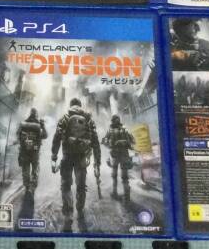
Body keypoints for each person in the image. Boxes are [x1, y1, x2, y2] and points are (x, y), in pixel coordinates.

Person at [51, 97, 101, 232]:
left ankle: (68, 213)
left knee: (66, 185)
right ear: (80, 105)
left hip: (67, 157)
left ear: (71, 105)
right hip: (82, 158)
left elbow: (57, 137)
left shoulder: (65, 117)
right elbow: (95, 142)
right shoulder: (88, 119)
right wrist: (97, 162)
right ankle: (80, 209)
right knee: (81, 186)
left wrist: (54, 156)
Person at [102, 115, 136, 202]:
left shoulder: (110, 130)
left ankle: (115, 192)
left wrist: (110, 145)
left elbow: (105, 141)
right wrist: (126, 143)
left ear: (112, 121)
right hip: (124, 155)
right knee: (125, 177)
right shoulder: (124, 129)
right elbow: (133, 140)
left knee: (114, 175)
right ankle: (127, 196)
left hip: (115, 155)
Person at [16, 108, 47, 195]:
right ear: (36, 114)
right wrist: (43, 126)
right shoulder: (39, 124)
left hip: (24, 151)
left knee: (25, 169)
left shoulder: (23, 123)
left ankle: (26, 186)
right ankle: (32, 187)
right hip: (35, 151)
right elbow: (45, 135)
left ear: (29, 114)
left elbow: (18, 135)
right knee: (35, 170)